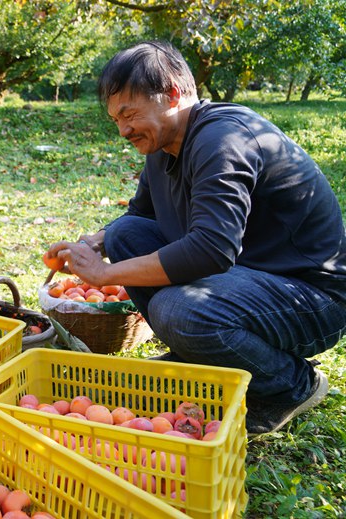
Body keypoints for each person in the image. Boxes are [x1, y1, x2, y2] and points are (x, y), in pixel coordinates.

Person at [45, 41, 346, 435]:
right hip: (250, 277)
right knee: (123, 234)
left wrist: (104, 274)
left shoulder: (222, 140)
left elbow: (211, 249)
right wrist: (94, 243)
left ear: (172, 94)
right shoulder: (163, 145)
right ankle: (198, 352)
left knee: (179, 310)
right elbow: (140, 217)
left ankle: (292, 385)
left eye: (129, 114)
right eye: (115, 119)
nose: (123, 130)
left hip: (312, 296)